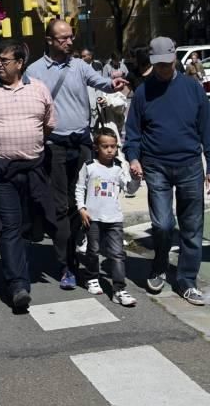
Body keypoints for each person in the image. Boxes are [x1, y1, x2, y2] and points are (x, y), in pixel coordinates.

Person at [26, 20, 127, 290]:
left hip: (82, 142)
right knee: (61, 206)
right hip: (54, 146)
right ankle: (66, 266)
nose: (69, 42)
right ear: (49, 40)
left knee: (82, 203)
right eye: (63, 39)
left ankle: (81, 252)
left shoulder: (80, 66)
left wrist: (113, 83)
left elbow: (102, 82)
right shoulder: (33, 71)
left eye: (71, 37)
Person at [0, 40, 57, 313]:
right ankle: (18, 285)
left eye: (5, 60)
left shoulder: (38, 88)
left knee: (40, 220)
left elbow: (49, 124)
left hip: (33, 170)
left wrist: (29, 147)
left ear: (20, 63)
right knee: (9, 226)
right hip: (1, 172)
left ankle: (64, 266)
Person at [125, 36, 210, 305]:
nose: (162, 68)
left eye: (167, 63)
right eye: (158, 64)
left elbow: (207, 128)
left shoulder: (192, 88)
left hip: (190, 166)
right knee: (162, 224)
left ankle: (186, 280)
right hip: (156, 166)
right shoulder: (143, 92)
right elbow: (133, 132)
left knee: (192, 227)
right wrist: (133, 158)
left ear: (174, 59)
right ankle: (159, 265)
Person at [75, 129, 136, 306]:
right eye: (105, 146)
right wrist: (81, 208)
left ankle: (119, 289)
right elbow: (80, 188)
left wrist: (136, 179)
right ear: (96, 148)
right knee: (93, 250)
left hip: (114, 219)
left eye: (113, 146)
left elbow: (129, 189)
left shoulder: (119, 167)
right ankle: (92, 277)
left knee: (117, 254)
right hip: (93, 217)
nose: (110, 150)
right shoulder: (89, 166)